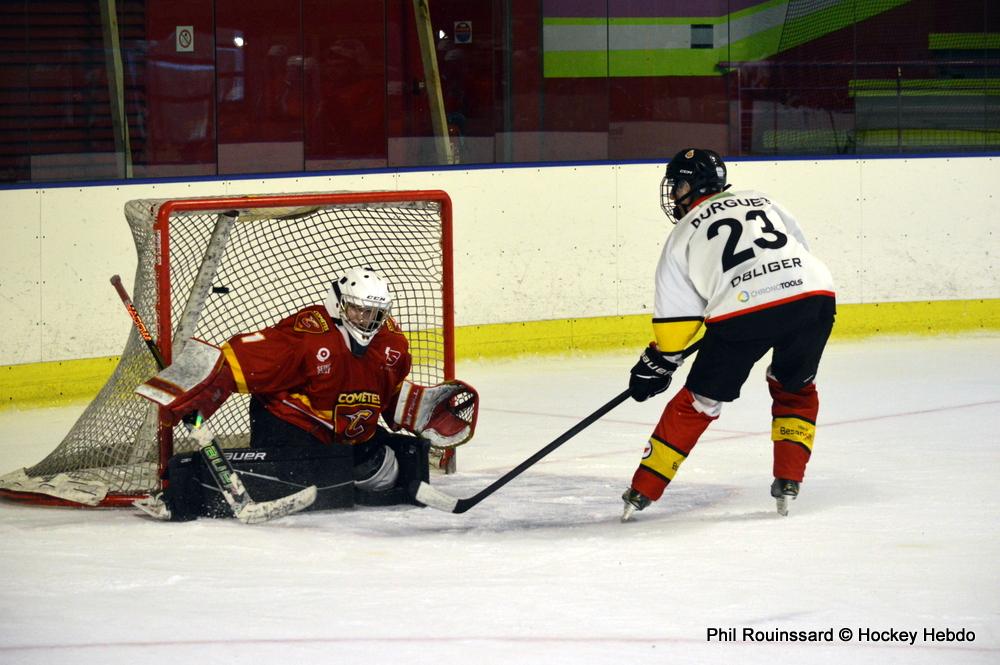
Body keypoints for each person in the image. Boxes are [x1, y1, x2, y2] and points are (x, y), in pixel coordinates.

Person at [134, 267, 478, 521]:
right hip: (289, 425)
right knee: (304, 477)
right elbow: (235, 361)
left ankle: (349, 472)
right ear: (338, 304)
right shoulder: (307, 337)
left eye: (375, 313)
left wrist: (415, 408)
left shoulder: (392, 345)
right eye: (358, 310)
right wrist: (195, 389)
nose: (366, 320)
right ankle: (187, 490)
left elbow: (382, 389)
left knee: (389, 466)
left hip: (343, 435)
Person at [622, 148, 836, 520]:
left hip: (744, 312)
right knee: (795, 387)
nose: (673, 195)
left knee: (699, 401)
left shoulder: (682, 233)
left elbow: (676, 325)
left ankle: (642, 490)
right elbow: (799, 251)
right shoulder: (762, 200)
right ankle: (789, 479)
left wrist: (657, 364)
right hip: (814, 296)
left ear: (691, 186)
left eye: (677, 186)